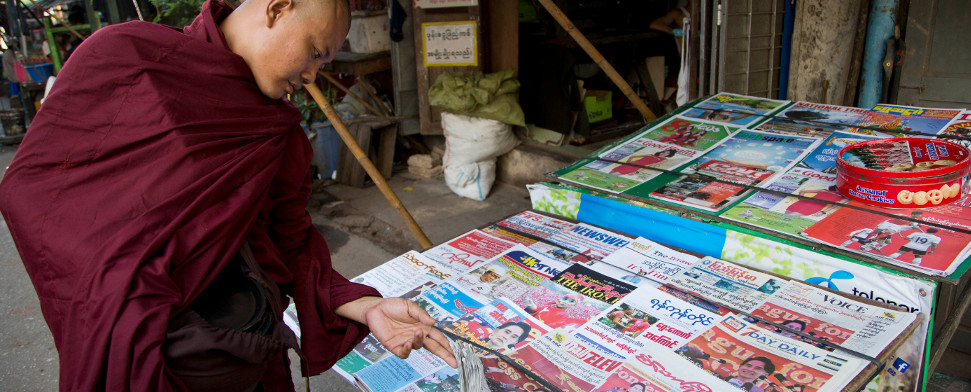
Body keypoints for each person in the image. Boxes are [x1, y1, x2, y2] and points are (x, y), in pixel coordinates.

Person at [0, 0, 455, 390]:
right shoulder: (130, 57)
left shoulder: (278, 131)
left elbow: (291, 241)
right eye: (315, 52)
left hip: (244, 346)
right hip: (141, 346)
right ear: (277, 8)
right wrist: (116, 282)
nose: (312, 75)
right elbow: (36, 189)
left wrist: (368, 305)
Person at [522, 293, 586, 330]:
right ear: (558, 299)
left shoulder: (564, 314)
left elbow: (555, 324)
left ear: (573, 306)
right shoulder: (548, 307)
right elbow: (536, 309)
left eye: (571, 301)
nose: (565, 302)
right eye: (565, 299)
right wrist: (531, 305)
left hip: (536, 329)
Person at [610, 149, 678, 176]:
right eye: (665, 151)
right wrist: (628, 162)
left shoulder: (664, 159)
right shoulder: (650, 155)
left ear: (669, 155)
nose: (664, 153)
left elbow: (650, 166)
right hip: (629, 164)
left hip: (635, 168)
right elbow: (633, 156)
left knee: (613, 175)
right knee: (611, 173)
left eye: (667, 153)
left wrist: (637, 172)